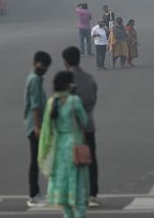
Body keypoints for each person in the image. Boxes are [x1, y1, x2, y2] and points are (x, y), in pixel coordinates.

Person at [38, 71, 90, 218]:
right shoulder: (74, 101)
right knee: (78, 191)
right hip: (75, 145)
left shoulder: (51, 102)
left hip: (59, 148)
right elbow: (84, 122)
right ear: (69, 85)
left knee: (64, 191)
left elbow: (49, 128)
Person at [62, 47, 102, 208]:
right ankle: (92, 193)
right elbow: (93, 99)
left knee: (71, 161)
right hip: (88, 125)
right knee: (90, 159)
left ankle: (73, 192)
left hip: (71, 127)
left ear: (66, 61)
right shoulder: (89, 78)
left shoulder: (65, 80)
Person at [25, 51, 52, 207]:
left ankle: (36, 193)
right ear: (36, 63)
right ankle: (33, 195)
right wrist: (37, 127)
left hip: (35, 125)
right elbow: (35, 105)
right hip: (35, 127)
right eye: (44, 66)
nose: (45, 69)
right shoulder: (35, 79)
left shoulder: (35, 77)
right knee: (35, 161)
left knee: (37, 160)